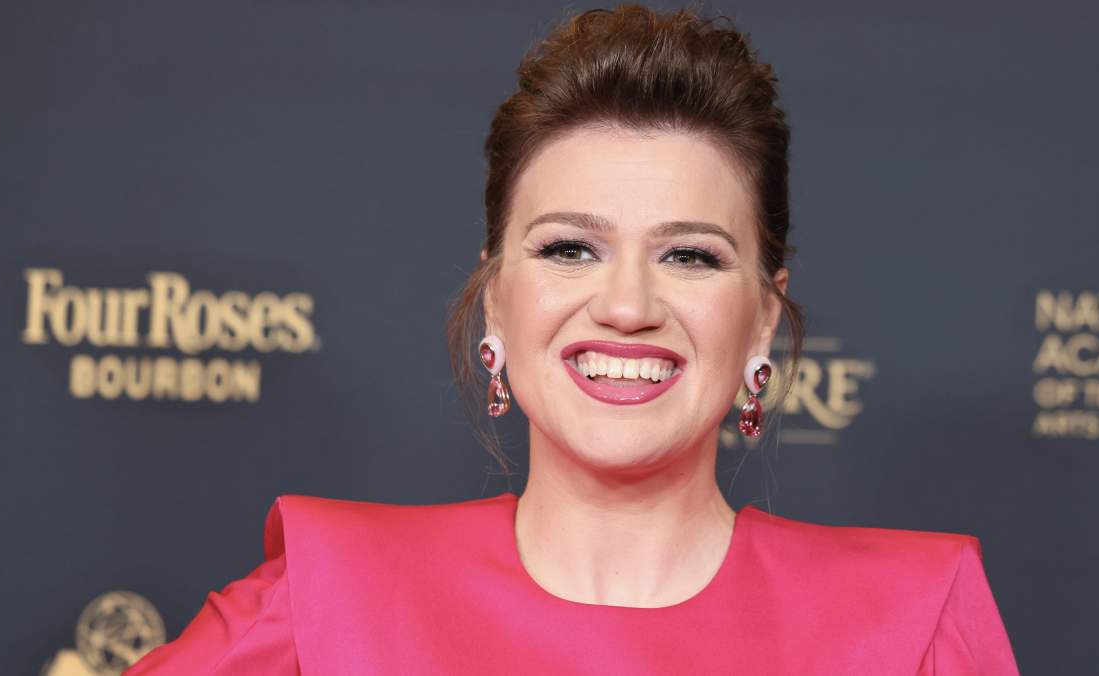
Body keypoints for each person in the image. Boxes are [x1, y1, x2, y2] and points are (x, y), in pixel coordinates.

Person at [126, 4, 1020, 674]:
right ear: (496, 302)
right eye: (569, 249)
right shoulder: (323, 605)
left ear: (762, 319)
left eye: (690, 256)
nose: (626, 305)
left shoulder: (913, 626)